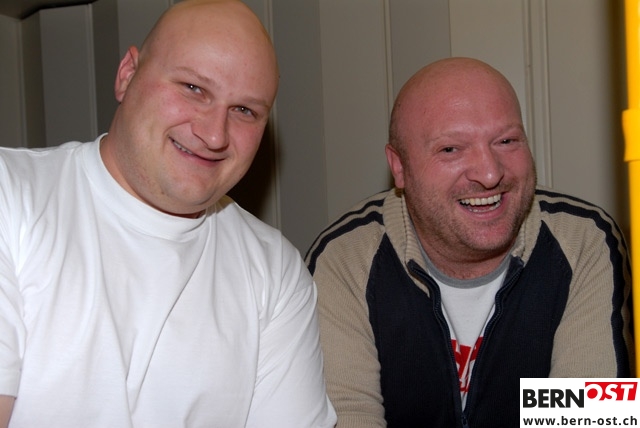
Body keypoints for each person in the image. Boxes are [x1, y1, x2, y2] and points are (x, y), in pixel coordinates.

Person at [0, 1, 336, 427]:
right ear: (127, 74)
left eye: (244, 111)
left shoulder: (276, 272)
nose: (214, 134)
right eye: (193, 88)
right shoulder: (12, 193)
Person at [305, 57, 634, 427]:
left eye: (506, 141)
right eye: (451, 149)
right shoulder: (345, 259)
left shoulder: (583, 243)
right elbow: (351, 415)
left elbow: (584, 419)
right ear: (399, 167)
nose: (490, 173)